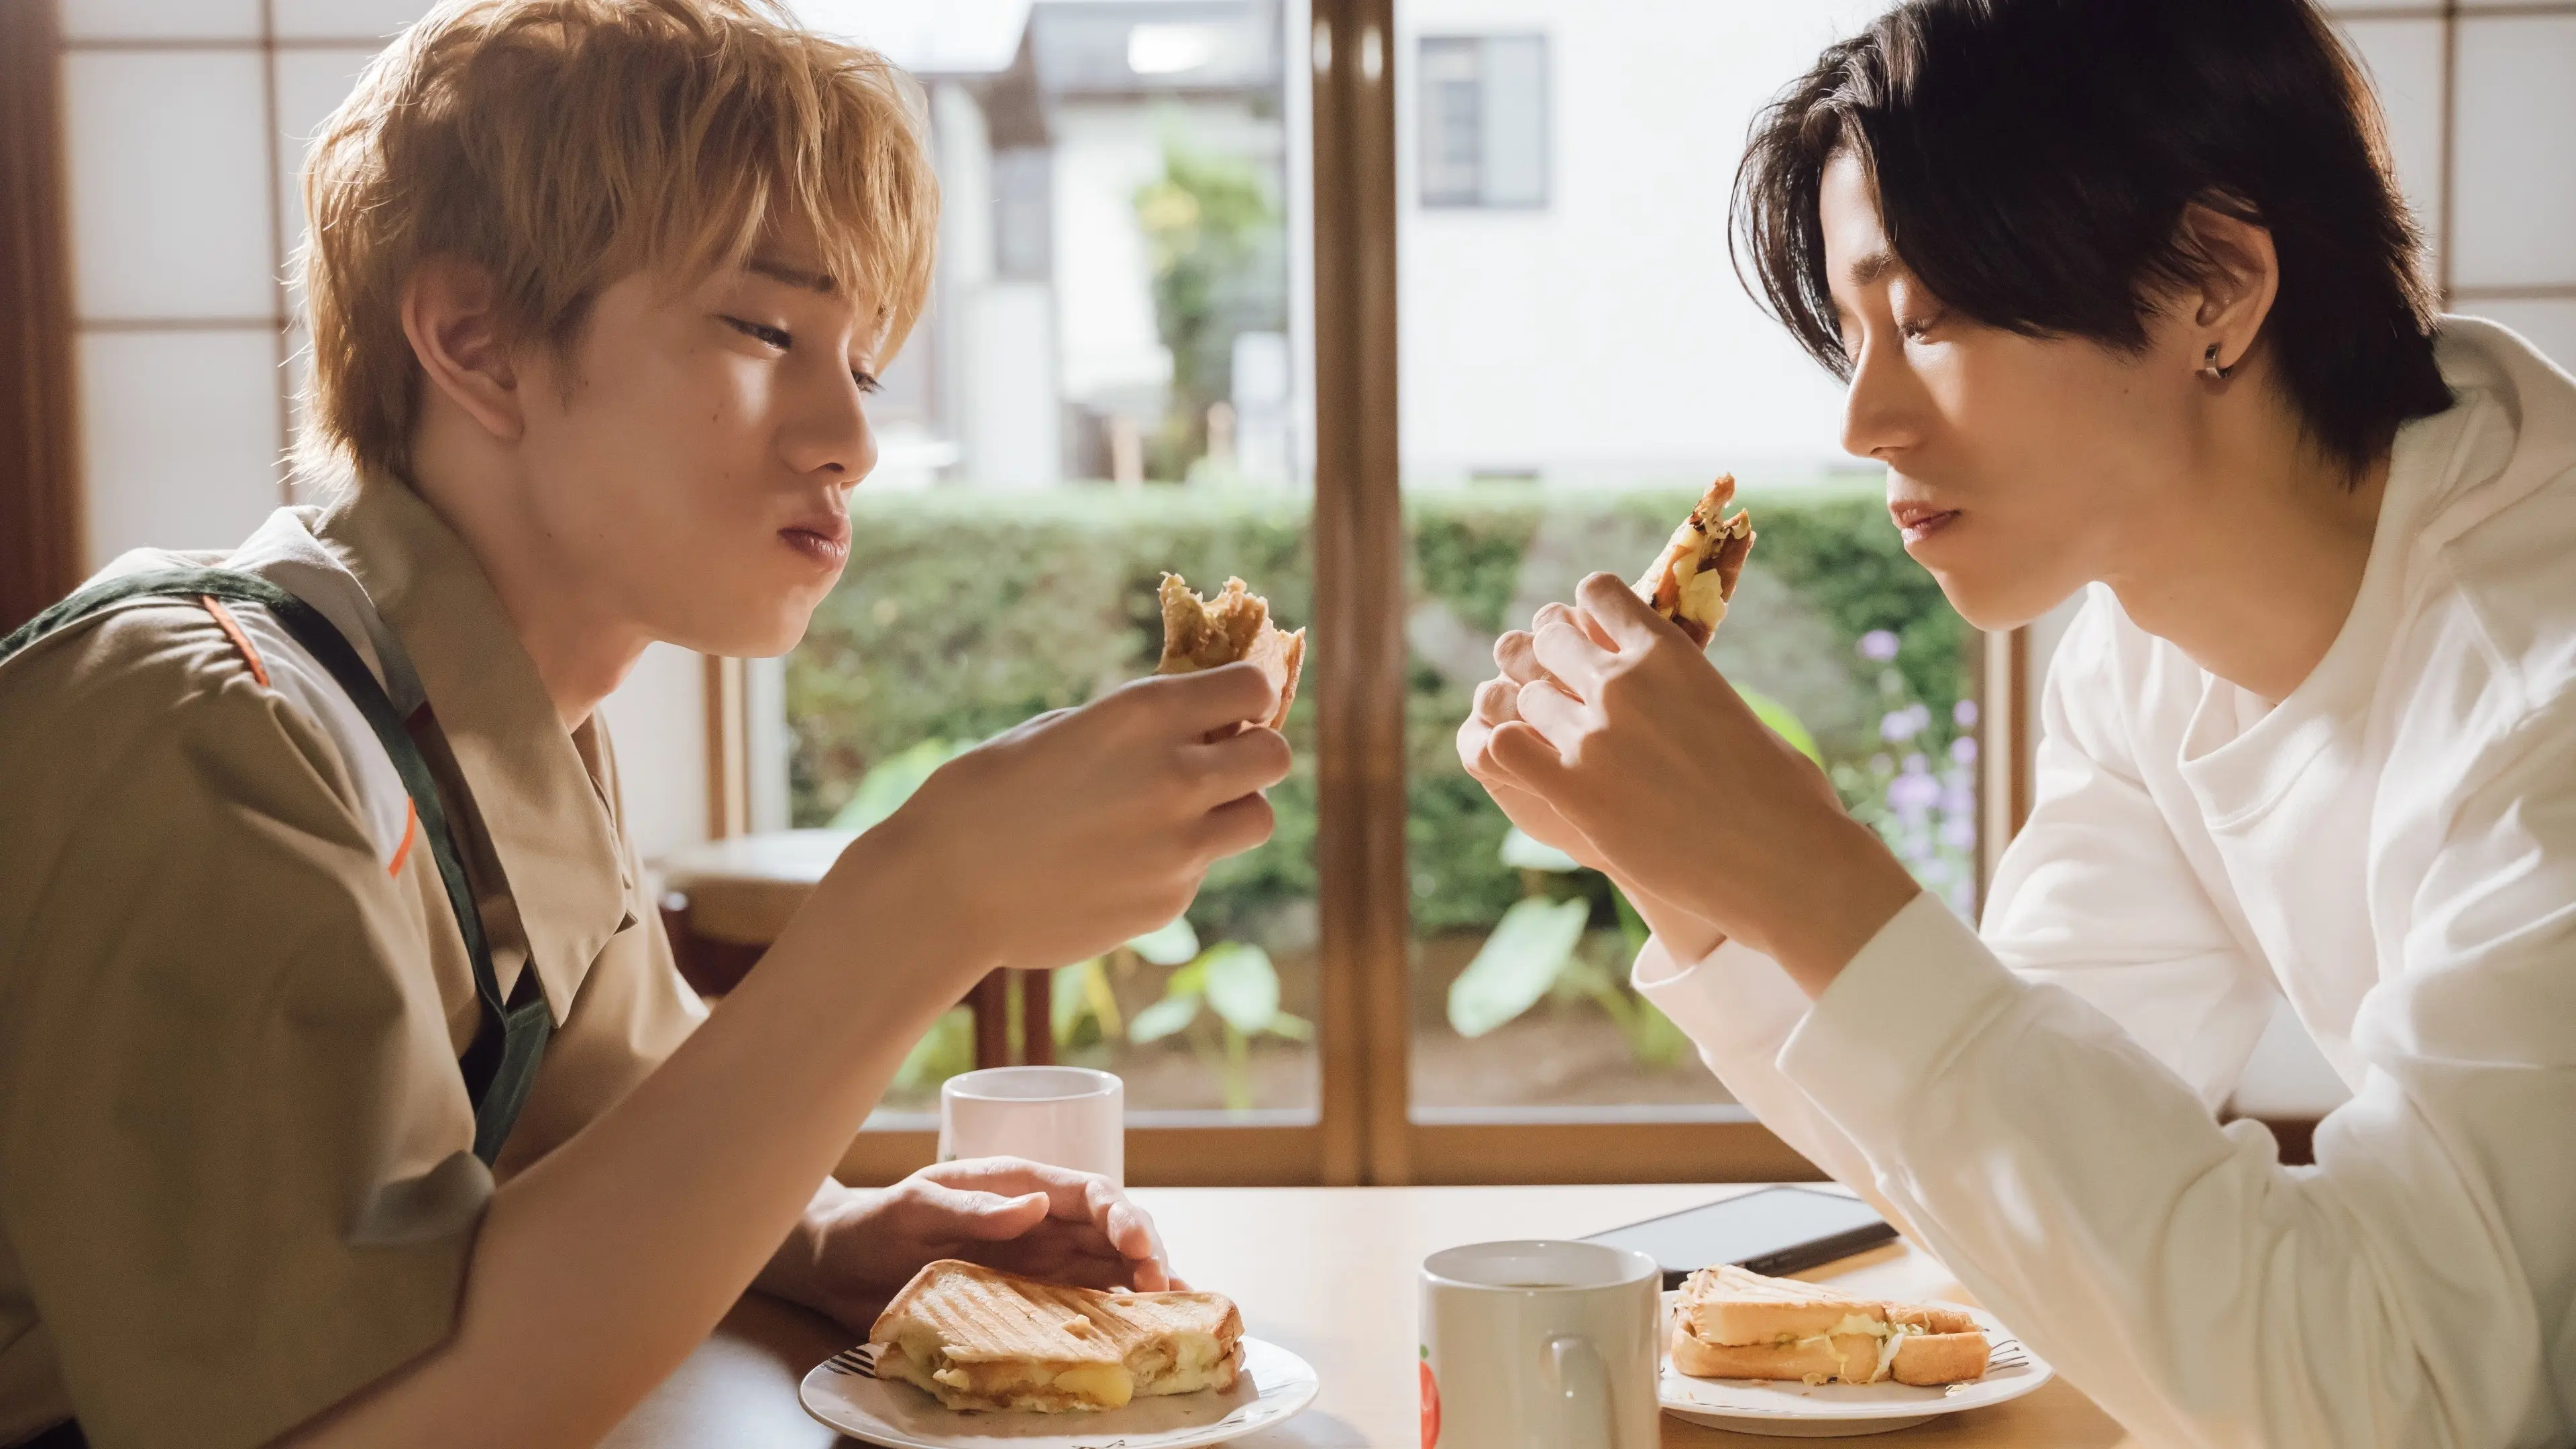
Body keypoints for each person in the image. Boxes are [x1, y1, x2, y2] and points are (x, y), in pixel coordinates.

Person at [0, 3, 1293, 1446]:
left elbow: (604, 1128)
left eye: (860, 363)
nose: (852, 441)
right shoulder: (210, 741)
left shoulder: (481, 715)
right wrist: (921, 905)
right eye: (763, 327)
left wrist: (822, 1238)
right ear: (476, 341)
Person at [1460, 0, 2576, 1444]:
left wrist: (1806, 866)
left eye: (1926, 319)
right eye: (1853, 334)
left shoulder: (2543, 698)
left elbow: (2419, 1396)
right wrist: (1694, 872)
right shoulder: (2142, 650)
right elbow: (2014, 1156)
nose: (1862, 422)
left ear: (2215, 293)